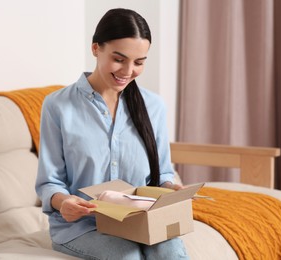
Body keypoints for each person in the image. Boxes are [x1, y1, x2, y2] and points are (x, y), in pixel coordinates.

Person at [36, 8, 189, 259]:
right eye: (119, 59)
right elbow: (49, 182)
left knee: (172, 255)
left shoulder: (154, 106)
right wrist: (64, 202)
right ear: (96, 48)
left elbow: (162, 173)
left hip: (141, 220)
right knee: (129, 257)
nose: (128, 71)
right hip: (82, 227)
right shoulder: (58, 106)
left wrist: (171, 189)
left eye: (139, 62)